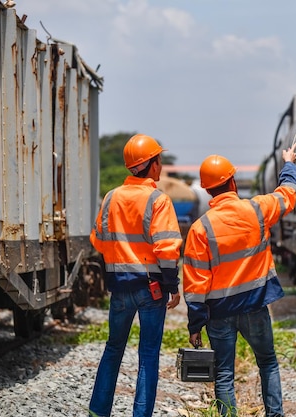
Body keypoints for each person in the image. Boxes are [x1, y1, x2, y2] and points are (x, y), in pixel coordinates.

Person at [182, 142, 296, 417]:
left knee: (223, 373)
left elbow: (195, 284)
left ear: (208, 190)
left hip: (219, 313)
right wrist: (289, 163)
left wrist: (195, 324)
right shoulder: (256, 210)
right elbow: (288, 194)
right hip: (255, 307)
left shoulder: (201, 229)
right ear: (233, 181)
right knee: (267, 362)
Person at [88, 133, 182, 417]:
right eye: (159, 159)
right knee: (148, 356)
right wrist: (172, 286)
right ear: (151, 165)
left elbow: (99, 241)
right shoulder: (158, 199)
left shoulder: (111, 197)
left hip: (119, 287)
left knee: (113, 349)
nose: (161, 165)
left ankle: (98, 411)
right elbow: (167, 249)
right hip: (151, 288)